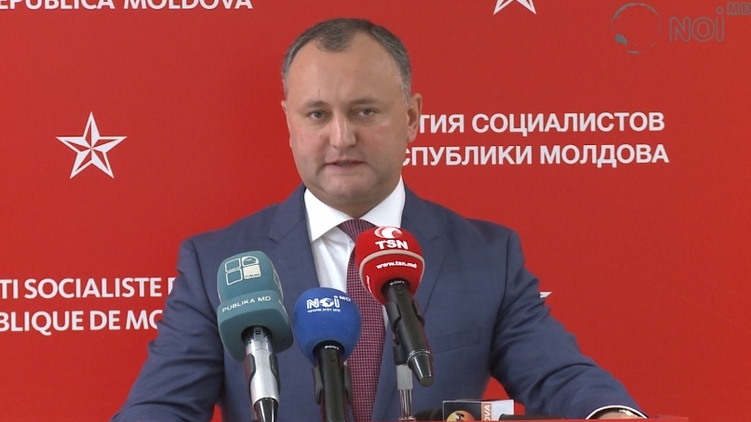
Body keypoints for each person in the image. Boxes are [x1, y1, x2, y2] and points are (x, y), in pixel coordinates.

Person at [112, 18, 647, 422]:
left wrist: (611, 413)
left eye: (364, 111)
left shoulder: (488, 257)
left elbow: (559, 374)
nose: (341, 137)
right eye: (317, 114)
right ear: (290, 124)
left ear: (411, 118)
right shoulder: (218, 263)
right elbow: (161, 407)